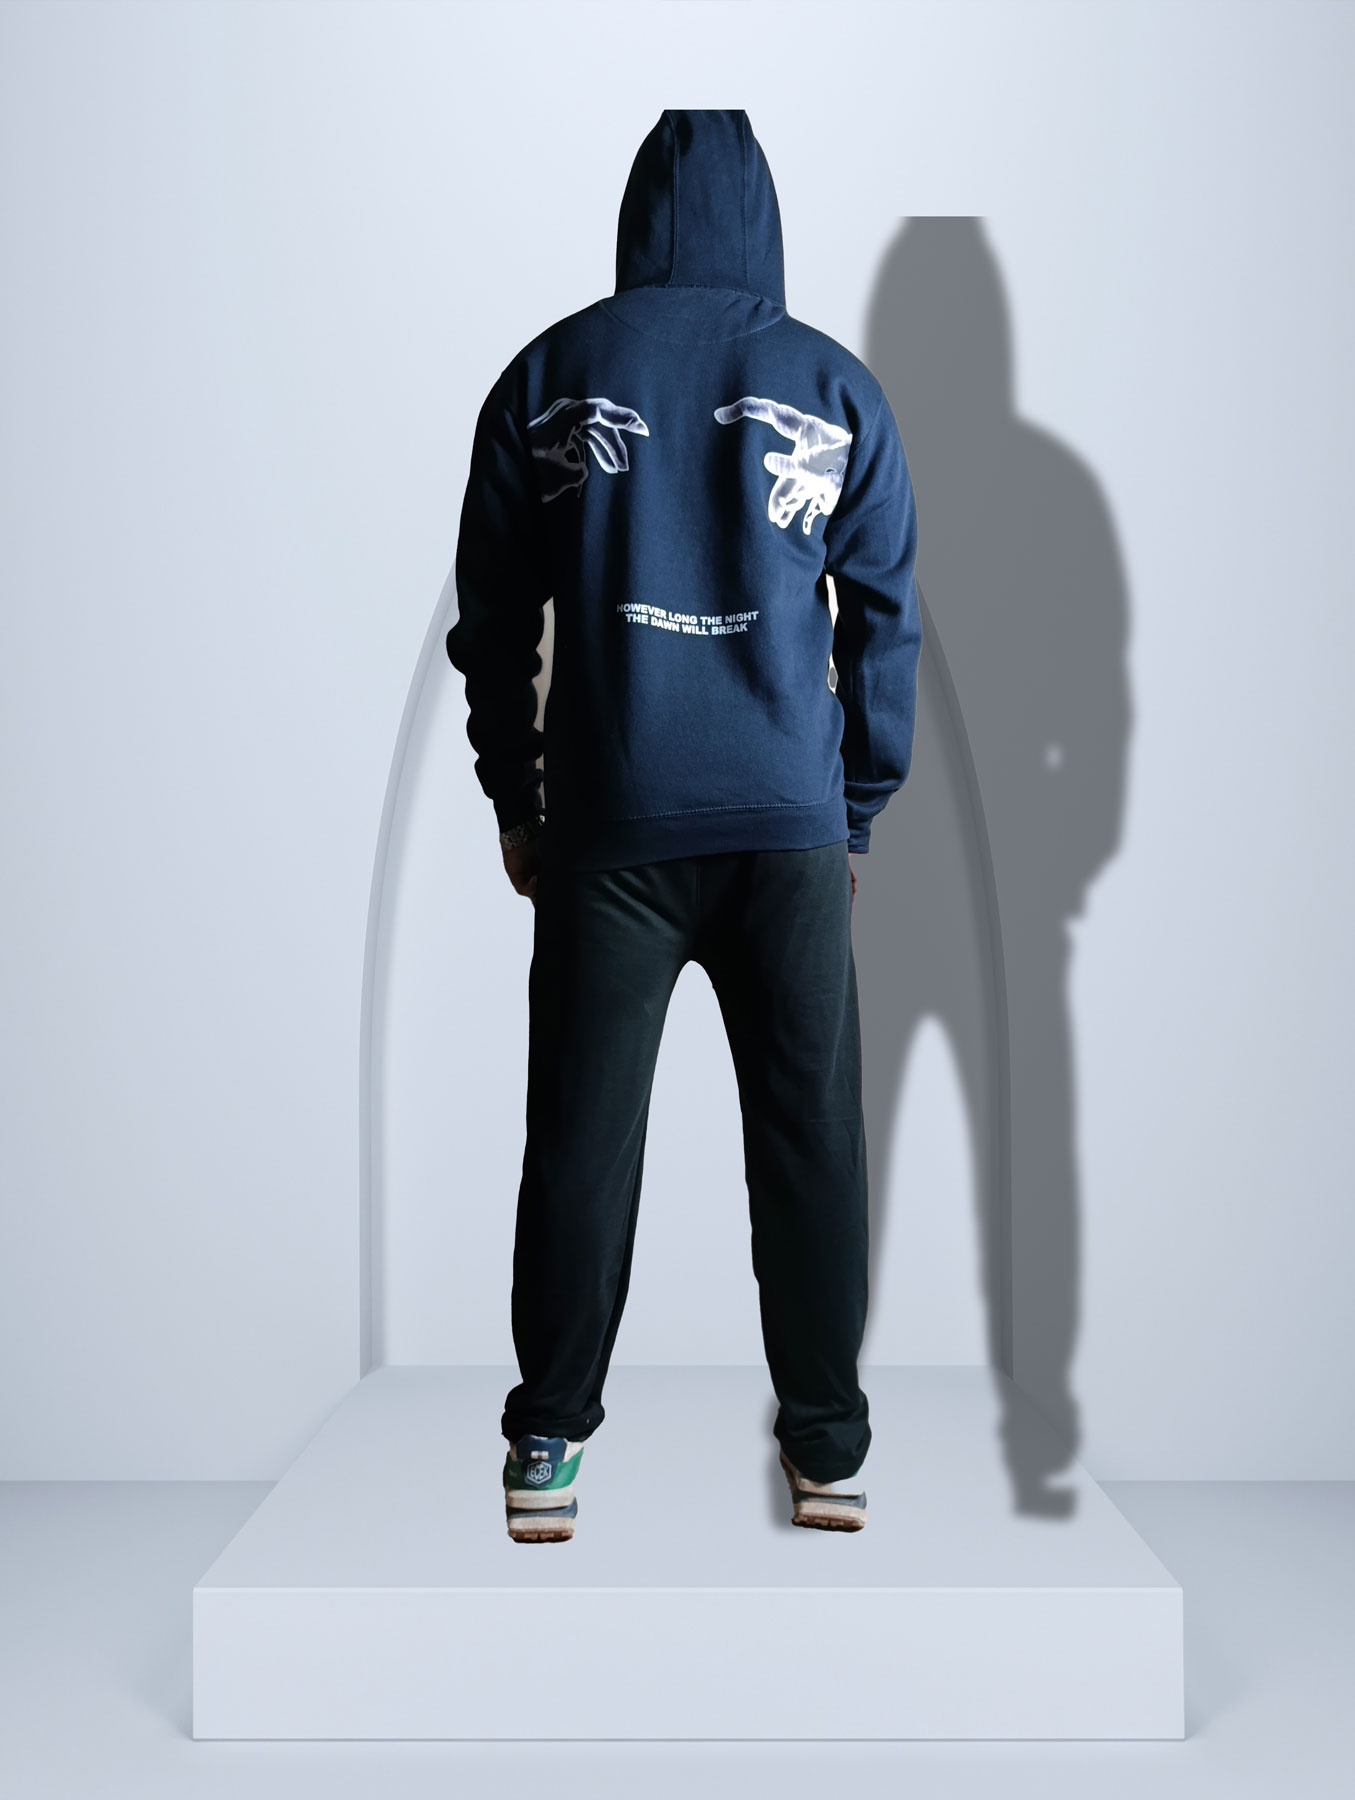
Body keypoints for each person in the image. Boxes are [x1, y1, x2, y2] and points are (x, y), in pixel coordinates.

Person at [446, 109, 922, 1542]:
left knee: (579, 1143)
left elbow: (491, 620)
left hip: (610, 829)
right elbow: (886, 621)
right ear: (764, 219)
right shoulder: (834, 385)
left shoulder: (549, 376)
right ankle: (828, 1451)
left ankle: (546, 1445)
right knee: (812, 1141)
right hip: (786, 831)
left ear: (635, 217)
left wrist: (518, 796)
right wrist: (856, 810)